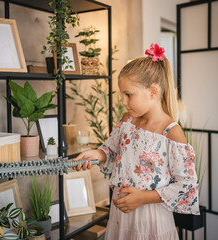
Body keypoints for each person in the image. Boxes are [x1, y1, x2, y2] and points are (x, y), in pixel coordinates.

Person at [73, 43, 199, 240]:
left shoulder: (171, 132)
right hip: (120, 216)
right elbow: (111, 149)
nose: (123, 102)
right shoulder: (127, 120)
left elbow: (186, 186)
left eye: (128, 95)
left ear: (153, 92)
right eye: (122, 94)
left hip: (151, 219)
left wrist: (143, 198)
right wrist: (97, 154)